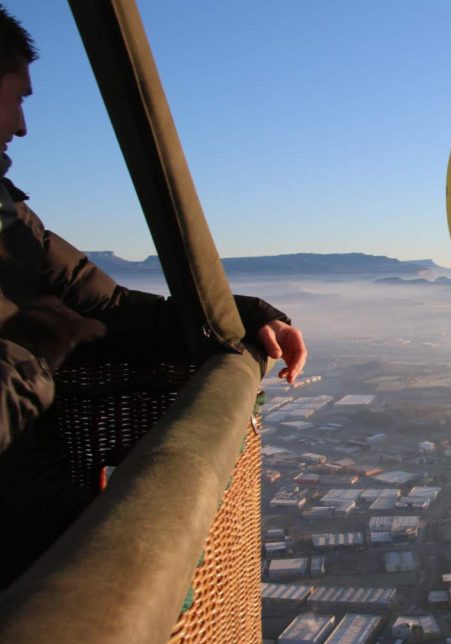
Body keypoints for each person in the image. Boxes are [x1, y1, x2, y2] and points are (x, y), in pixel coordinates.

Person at [0, 5, 307, 585]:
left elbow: (109, 307)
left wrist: (244, 316)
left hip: (37, 523)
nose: (22, 127)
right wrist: (33, 351)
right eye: (17, 99)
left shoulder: (11, 221)